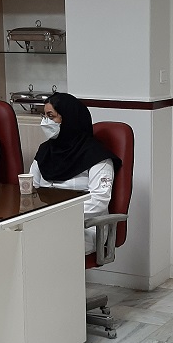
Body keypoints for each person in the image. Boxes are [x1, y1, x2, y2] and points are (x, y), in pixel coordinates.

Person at [29, 92, 121, 254]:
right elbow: (31, 189)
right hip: (45, 223)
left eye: (51, 116)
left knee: (39, 248)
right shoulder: (45, 151)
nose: (45, 122)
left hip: (84, 227)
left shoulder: (97, 156)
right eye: (44, 116)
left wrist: (57, 215)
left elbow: (99, 201)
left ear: (68, 118)